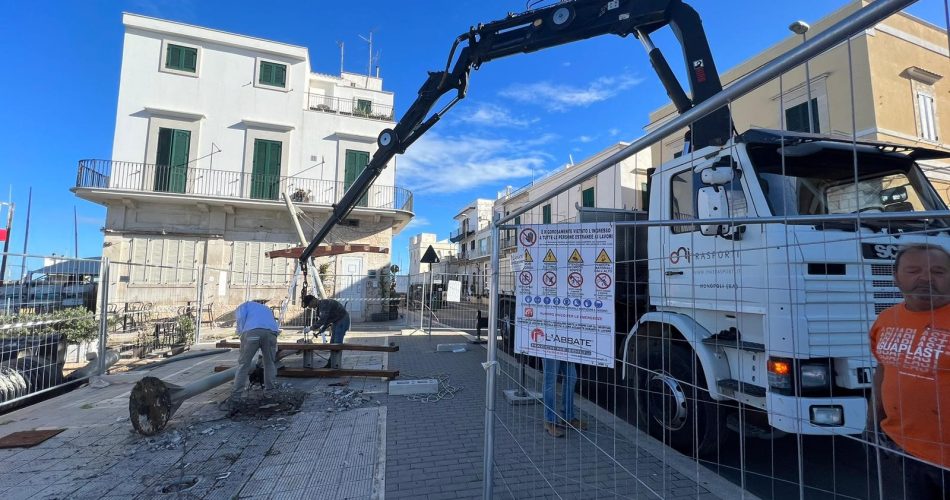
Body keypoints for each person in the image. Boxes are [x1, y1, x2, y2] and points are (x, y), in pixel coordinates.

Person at [868, 243, 950, 499]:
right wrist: (871, 422)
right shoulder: (886, 320)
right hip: (907, 448)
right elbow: (883, 369)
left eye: (938, 271)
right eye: (913, 270)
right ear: (895, 278)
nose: (925, 278)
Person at [231, 299, 280, 404]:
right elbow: (272, 323)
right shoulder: (266, 309)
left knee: (244, 364)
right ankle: (270, 392)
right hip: (271, 332)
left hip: (252, 332)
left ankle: (236, 395)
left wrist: (241, 335)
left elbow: (240, 320)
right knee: (269, 363)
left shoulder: (244, 305)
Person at [542, 358, 587, 437]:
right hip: (550, 349)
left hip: (566, 347)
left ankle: (568, 418)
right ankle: (550, 421)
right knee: (550, 381)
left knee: (571, 378)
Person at [302, 295, 350, 368]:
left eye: (309, 304)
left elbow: (322, 320)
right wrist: (323, 329)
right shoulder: (320, 307)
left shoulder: (324, 304)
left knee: (337, 343)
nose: (310, 307)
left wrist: (310, 328)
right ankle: (331, 363)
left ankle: (336, 366)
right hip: (337, 321)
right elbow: (327, 320)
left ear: (313, 300)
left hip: (342, 320)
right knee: (332, 343)